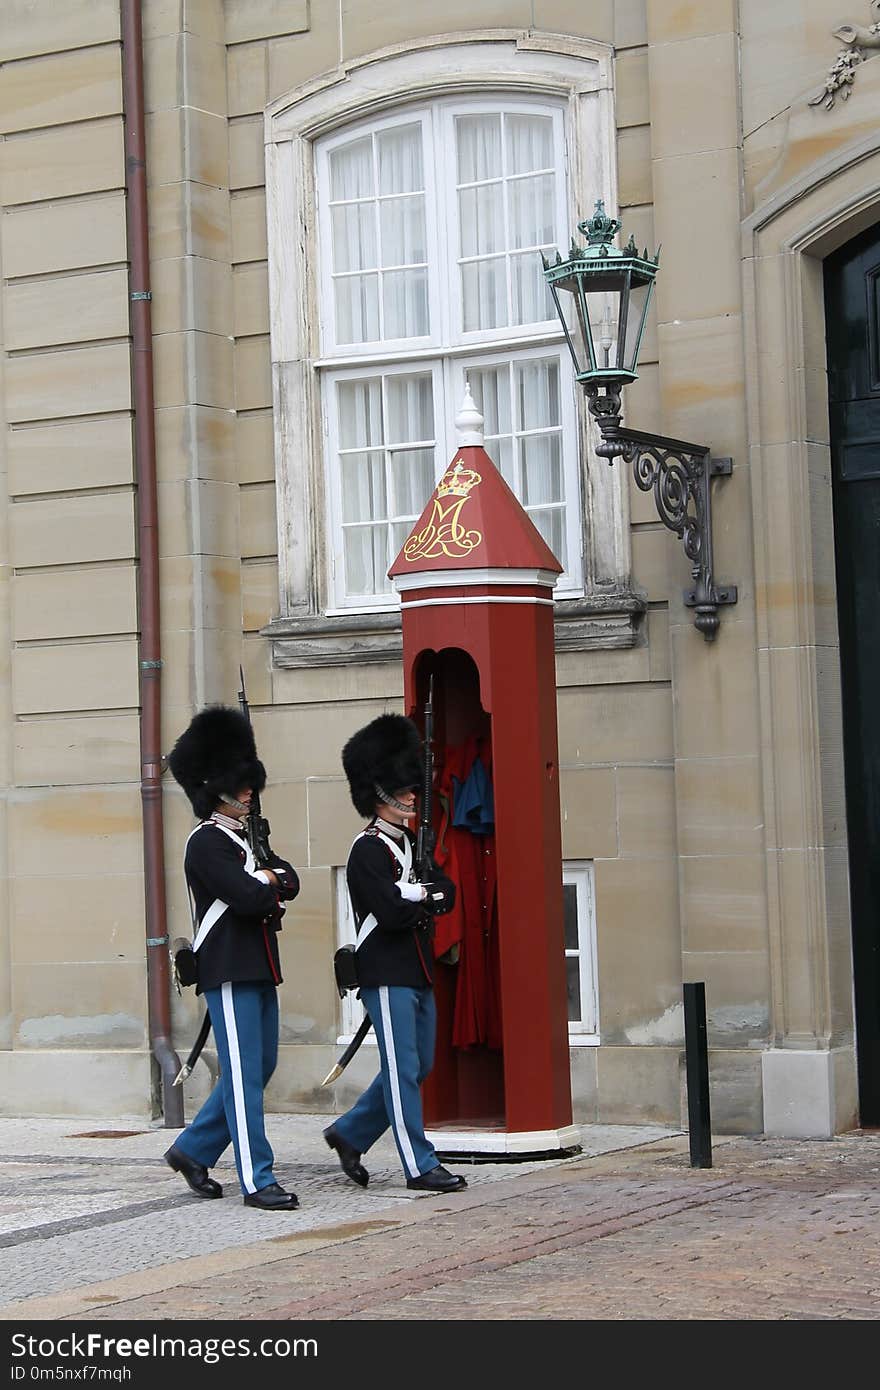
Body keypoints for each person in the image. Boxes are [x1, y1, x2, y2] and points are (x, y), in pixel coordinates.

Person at [323, 713, 468, 1194]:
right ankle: (418, 1163)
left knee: (419, 1064)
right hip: (384, 969)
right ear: (380, 792)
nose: (412, 795)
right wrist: (422, 898)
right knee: (404, 1070)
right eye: (402, 789)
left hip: (416, 967)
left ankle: (351, 1133)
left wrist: (421, 896)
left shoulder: (411, 845)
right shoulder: (367, 850)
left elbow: (446, 893)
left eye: (412, 788)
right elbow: (389, 911)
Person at [164, 705, 301, 1211]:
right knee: (242, 1076)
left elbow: (291, 879)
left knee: (259, 1067)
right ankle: (256, 1178)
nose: (249, 792)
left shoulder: (247, 840)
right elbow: (249, 898)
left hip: (260, 963)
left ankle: (193, 1150)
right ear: (214, 788)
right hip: (228, 965)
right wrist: (269, 882)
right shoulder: (206, 843)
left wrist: (269, 879)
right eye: (240, 785)